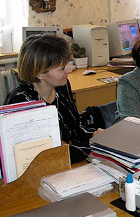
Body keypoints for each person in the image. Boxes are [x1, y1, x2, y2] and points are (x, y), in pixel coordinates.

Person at [5, 34, 100, 163]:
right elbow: (49, 152)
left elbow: (76, 127)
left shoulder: (62, 86)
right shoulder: (21, 100)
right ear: (40, 74)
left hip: (71, 157)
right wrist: (92, 145)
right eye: (62, 68)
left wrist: (94, 135)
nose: (69, 70)